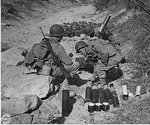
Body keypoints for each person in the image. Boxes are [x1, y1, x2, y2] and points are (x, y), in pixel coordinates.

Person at [24, 24, 79, 96]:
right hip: (48, 71)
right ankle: (65, 87)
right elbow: (69, 62)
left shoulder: (41, 43)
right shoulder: (57, 46)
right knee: (76, 65)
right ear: (60, 36)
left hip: (37, 70)